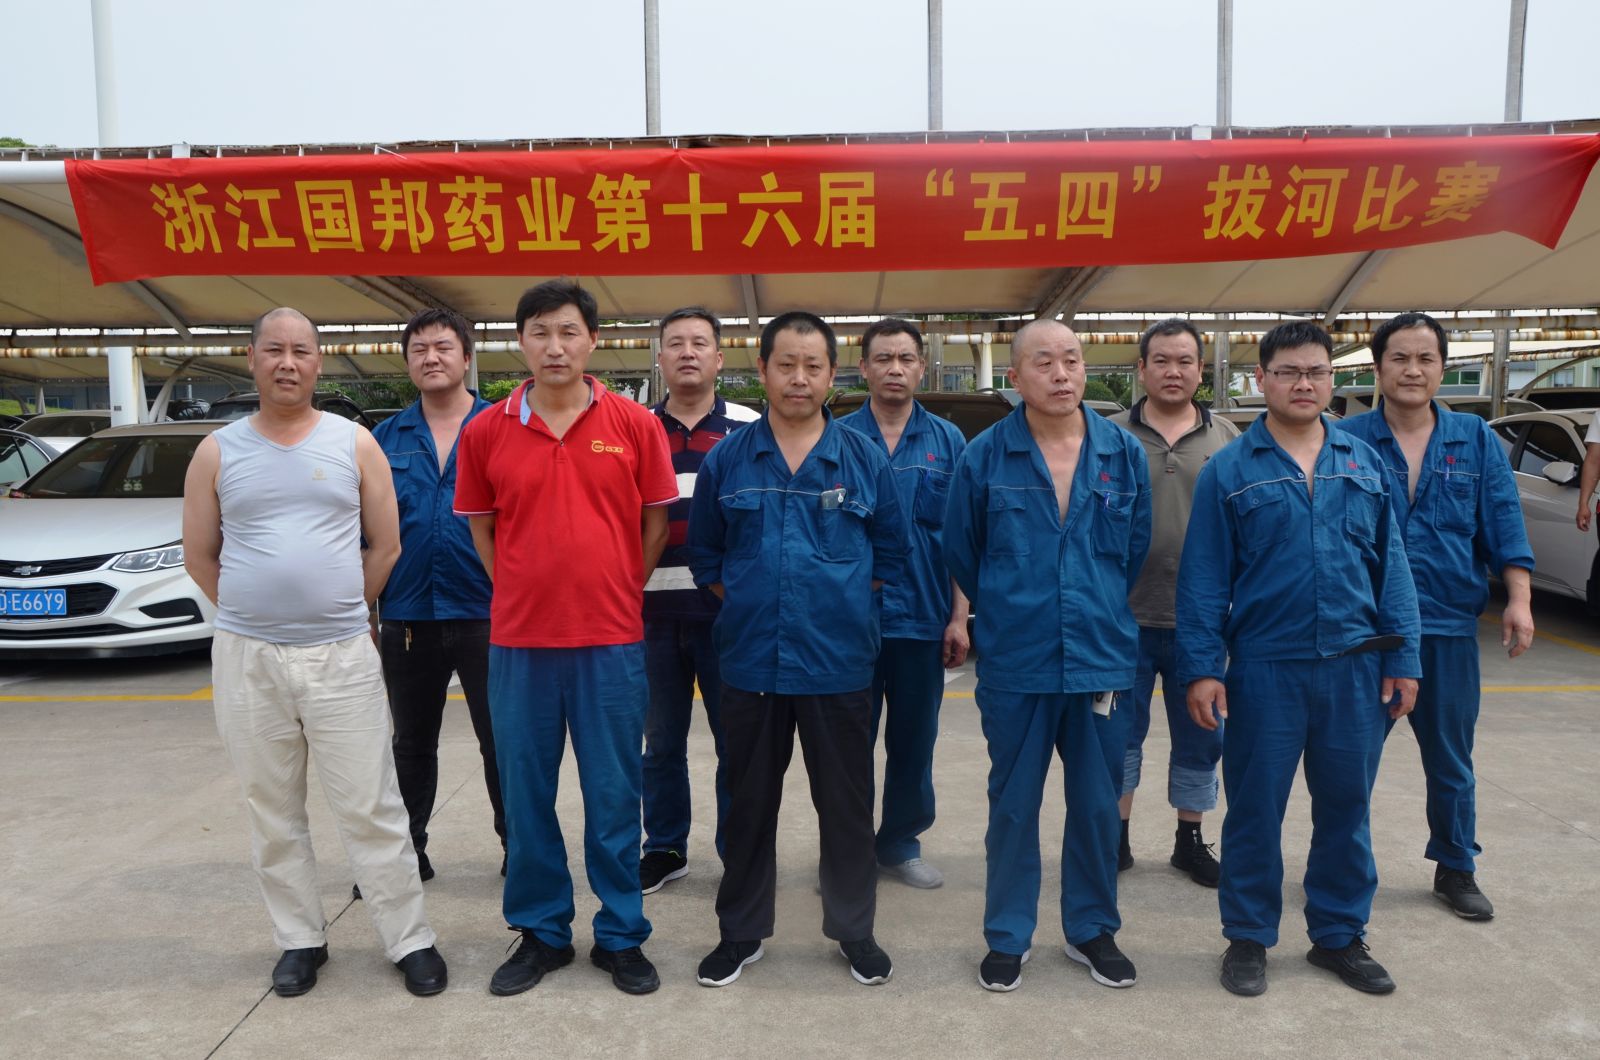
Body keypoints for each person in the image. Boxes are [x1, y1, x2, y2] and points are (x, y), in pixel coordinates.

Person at [181, 306, 447, 999]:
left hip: (341, 655)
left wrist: (340, 608)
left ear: (319, 362)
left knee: (371, 805)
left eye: (301, 350)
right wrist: (254, 610)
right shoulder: (218, 451)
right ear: (251, 358)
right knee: (272, 809)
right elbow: (199, 554)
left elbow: (385, 545)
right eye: (274, 350)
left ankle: (409, 938)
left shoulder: (353, 443)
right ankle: (300, 939)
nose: (287, 363)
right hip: (249, 659)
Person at [1177, 320, 1421, 998]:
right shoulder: (1229, 469)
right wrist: (1203, 667)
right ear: (1262, 379)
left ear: (1333, 379)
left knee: (1346, 809)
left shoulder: (1362, 462)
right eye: (1288, 372)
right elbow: (1202, 579)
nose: (1304, 383)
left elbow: (1393, 568)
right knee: (1255, 810)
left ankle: (1338, 935)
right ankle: (1248, 936)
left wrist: (1405, 656)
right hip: (1265, 668)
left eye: (1316, 371)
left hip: (1354, 667)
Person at [453, 281, 678, 997]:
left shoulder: (634, 424)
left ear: (592, 340)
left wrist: (619, 585)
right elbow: (481, 527)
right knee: (526, 797)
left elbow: (656, 523)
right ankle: (542, 932)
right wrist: (520, 589)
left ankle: (620, 934)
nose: (555, 346)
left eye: (569, 331)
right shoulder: (486, 430)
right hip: (520, 645)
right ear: (520, 341)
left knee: (613, 794)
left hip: (611, 642)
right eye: (541, 332)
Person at [685, 311, 909, 988]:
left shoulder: (863, 458)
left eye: (813, 366)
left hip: (838, 665)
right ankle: (740, 932)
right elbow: (707, 557)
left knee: (845, 806)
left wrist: (836, 608)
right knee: (748, 804)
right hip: (751, 662)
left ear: (832, 375)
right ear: (762, 370)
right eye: (786, 364)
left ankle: (854, 930)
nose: (799, 378)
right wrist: (755, 604)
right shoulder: (729, 459)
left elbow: (889, 553)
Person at [944, 318, 1151, 994]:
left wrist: (1091, 603)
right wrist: (1013, 606)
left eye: (1071, 360)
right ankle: (1008, 935)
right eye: (1043, 362)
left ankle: (1092, 930)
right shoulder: (984, 457)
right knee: (1012, 805)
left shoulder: (1122, 453)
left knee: (1096, 805)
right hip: (1017, 661)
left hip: (1101, 658)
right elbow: (962, 549)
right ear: (1015, 377)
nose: (1061, 374)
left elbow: (1135, 549)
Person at [1336, 312, 1535, 920]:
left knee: (1451, 760)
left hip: (1447, 626)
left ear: (1443, 369)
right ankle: (1341, 870)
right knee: (1350, 763)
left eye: (1425, 358)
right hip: (1368, 632)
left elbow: (1503, 519)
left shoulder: (1474, 438)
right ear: (1378, 369)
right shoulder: (1347, 439)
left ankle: (1456, 866)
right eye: (1399, 358)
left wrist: (1520, 598)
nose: (1412, 370)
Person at [369, 307, 505, 885]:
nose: (431, 358)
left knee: (502, 741)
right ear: (407, 363)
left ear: (467, 357)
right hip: (407, 616)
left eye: (443, 347)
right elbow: (363, 532)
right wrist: (364, 608)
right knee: (410, 743)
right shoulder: (383, 439)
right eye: (419, 349)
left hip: (489, 613)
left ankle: (520, 851)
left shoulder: (503, 428)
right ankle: (406, 855)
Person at [836, 317, 970, 890]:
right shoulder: (836, 439)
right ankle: (846, 852)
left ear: (922, 368)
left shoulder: (949, 442)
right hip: (849, 622)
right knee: (847, 745)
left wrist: (959, 617)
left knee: (914, 741)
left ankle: (900, 844)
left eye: (906, 359)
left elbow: (962, 540)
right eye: (883, 359)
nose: (895, 369)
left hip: (922, 619)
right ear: (863, 368)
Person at [1109, 318, 1238, 887]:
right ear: (1141, 369)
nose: (1173, 371)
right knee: (1118, 734)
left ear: (1201, 371)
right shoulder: (1108, 436)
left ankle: (1190, 839)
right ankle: (1115, 837)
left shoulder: (1228, 439)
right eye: (1161, 360)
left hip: (1202, 623)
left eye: (1185, 361)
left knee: (1202, 735)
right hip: (1123, 617)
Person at [639, 306, 759, 894]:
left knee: (736, 741)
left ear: (719, 356)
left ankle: (739, 850)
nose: (688, 352)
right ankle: (664, 846)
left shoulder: (749, 427)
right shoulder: (634, 427)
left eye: (700, 343)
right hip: (650, 611)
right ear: (660, 357)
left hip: (726, 614)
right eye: (676, 343)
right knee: (661, 742)